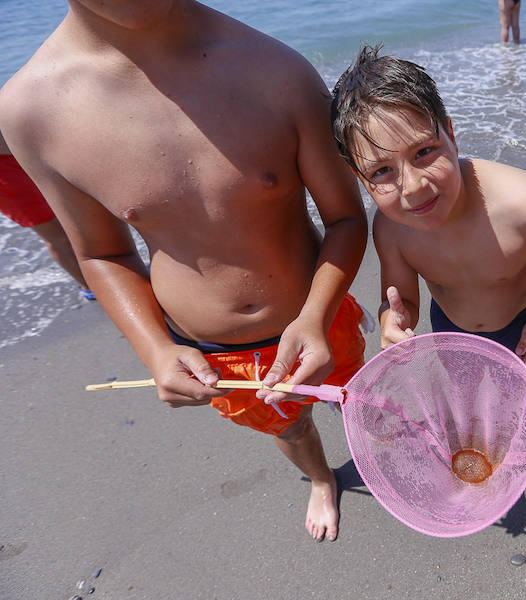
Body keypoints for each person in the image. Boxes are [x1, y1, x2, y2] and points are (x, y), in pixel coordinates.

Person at [0, 0, 369, 543]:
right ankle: (319, 478)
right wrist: (155, 350)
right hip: (216, 355)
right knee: (288, 427)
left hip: (319, 312)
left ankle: (373, 445)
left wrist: (315, 316)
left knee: (356, 392)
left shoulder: (277, 71)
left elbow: (344, 217)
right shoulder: (32, 110)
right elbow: (103, 254)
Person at [331, 45, 526, 368]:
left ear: (450, 133)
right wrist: (390, 319)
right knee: (466, 395)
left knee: (509, 398)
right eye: (381, 171)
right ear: (360, 178)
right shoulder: (391, 229)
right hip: (449, 327)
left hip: (520, 321)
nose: (414, 186)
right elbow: (402, 299)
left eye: (424, 151)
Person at [0, 130, 93, 300]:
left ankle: (114, 269)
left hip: (27, 147)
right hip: (7, 168)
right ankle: (90, 285)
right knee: (56, 235)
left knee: (85, 210)